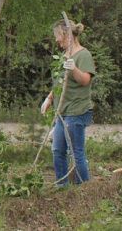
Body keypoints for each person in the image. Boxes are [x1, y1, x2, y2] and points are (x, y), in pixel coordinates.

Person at [40, 20, 96, 186]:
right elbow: (60, 83)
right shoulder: (64, 55)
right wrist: (49, 98)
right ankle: (61, 185)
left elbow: (85, 80)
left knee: (76, 152)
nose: (57, 40)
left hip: (76, 111)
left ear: (67, 35)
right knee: (57, 150)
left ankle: (84, 187)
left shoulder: (83, 55)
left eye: (58, 36)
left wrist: (74, 69)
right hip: (62, 112)